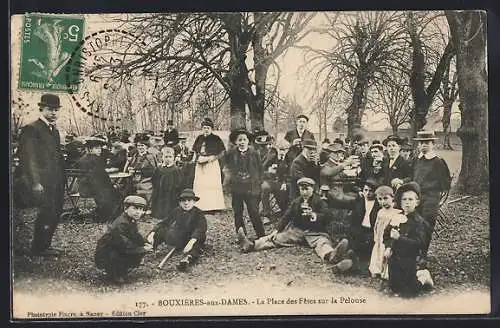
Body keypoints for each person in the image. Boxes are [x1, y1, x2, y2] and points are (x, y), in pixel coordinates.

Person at [236, 178, 353, 273]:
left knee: (322, 243)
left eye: (307, 189)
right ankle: (251, 245)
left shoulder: (319, 201)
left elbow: (328, 216)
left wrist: (314, 215)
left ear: (313, 189)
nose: (304, 192)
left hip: (315, 232)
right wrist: (276, 230)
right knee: (276, 238)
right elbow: (286, 216)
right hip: (298, 231)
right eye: (302, 190)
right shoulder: (296, 202)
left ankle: (332, 255)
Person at [14, 94, 66, 257]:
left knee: (55, 211)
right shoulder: (32, 129)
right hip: (43, 181)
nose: (54, 113)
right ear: (41, 109)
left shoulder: (54, 131)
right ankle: (39, 247)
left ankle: (45, 245)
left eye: (56, 110)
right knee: (47, 211)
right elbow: (28, 158)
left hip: (56, 179)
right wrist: (36, 182)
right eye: (50, 109)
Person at [94, 195, 153, 283]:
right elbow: (124, 243)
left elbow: (135, 235)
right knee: (117, 255)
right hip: (108, 252)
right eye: (135, 208)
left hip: (119, 247)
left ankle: (122, 271)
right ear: (126, 208)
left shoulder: (130, 220)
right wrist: (142, 249)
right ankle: (115, 274)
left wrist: (144, 243)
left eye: (142, 209)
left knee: (134, 251)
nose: (138, 212)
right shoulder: (121, 223)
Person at [411, 130, 452, 258]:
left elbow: (445, 184)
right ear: (418, 145)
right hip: (416, 197)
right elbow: (412, 177)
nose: (424, 145)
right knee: (414, 224)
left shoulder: (438, 162)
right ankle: (415, 252)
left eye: (427, 142)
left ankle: (423, 254)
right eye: (421, 143)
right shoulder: (417, 160)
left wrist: (428, 188)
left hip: (430, 198)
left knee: (426, 225)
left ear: (432, 144)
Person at [383, 182, 427, 297]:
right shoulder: (396, 217)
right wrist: (388, 246)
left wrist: (400, 238)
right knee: (394, 288)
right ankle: (396, 283)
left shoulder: (418, 222)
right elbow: (386, 234)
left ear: (417, 203)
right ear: (400, 202)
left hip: (409, 259)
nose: (407, 202)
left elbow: (420, 243)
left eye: (410, 200)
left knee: (409, 292)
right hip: (394, 258)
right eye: (404, 199)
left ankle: (424, 278)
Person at [148, 189, 207, 271]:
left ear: (194, 202)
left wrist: (191, 242)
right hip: (179, 237)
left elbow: (200, 229)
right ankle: (153, 248)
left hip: (192, 238)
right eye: (183, 201)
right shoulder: (177, 210)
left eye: (189, 200)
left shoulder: (198, 213)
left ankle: (187, 260)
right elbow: (164, 222)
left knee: (197, 244)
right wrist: (153, 233)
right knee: (161, 230)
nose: (186, 203)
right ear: (180, 203)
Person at [327, 179, 381, 266]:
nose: (367, 193)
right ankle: (340, 254)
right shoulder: (359, 201)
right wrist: (328, 199)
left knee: (364, 248)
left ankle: (348, 258)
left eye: (371, 191)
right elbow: (342, 204)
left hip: (371, 232)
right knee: (353, 240)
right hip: (358, 229)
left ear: (375, 192)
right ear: (362, 190)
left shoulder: (379, 204)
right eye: (365, 190)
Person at [225, 128, 266, 238]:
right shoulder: (231, 153)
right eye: (240, 140)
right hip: (237, 187)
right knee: (238, 212)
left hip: (251, 187)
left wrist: (258, 182)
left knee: (254, 211)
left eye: (244, 140)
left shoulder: (254, 153)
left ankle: (261, 235)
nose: (242, 142)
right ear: (236, 142)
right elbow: (228, 168)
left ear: (248, 141)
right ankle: (241, 234)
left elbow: (260, 169)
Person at [77, 137, 122, 222]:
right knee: (116, 191)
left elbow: (98, 175)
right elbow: (102, 177)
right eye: (97, 148)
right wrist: (112, 185)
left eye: (100, 148)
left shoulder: (83, 159)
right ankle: (109, 215)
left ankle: (105, 213)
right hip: (93, 188)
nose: (100, 150)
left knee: (111, 190)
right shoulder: (95, 159)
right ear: (90, 149)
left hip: (84, 187)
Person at [368, 185, 403, 279]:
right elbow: (376, 225)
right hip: (379, 237)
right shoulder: (380, 212)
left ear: (392, 197)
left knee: (387, 253)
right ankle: (376, 269)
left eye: (385, 198)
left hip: (388, 239)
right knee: (377, 252)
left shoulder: (396, 212)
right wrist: (376, 236)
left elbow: (396, 228)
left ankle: (386, 272)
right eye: (380, 199)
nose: (383, 202)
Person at [191, 118, 226, 212]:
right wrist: (195, 159)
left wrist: (214, 158)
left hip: (212, 163)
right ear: (202, 129)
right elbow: (195, 150)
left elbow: (222, 152)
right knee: (200, 184)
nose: (206, 129)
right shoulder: (199, 138)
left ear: (211, 129)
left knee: (211, 184)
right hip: (200, 162)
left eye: (208, 128)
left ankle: (213, 207)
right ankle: (200, 205)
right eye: (204, 128)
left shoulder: (216, 138)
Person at [150, 147, 184, 220]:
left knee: (170, 203)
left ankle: (170, 214)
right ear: (162, 157)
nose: (168, 159)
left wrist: (175, 188)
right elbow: (154, 179)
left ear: (173, 158)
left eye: (170, 157)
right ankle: (158, 214)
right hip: (160, 190)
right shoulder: (159, 168)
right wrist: (157, 186)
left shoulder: (176, 169)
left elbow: (179, 181)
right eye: (166, 157)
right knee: (159, 201)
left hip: (171, 191)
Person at [127, 134, 158, 202]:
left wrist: (138, 170)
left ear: (146, 147)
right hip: (134, 181)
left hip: (146, 182)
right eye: (138, 146)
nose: (140, 147)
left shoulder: (150, 157)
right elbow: (130, 166)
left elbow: (154, 171)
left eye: (142, 145)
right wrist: (130, 169)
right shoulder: (135, 156)